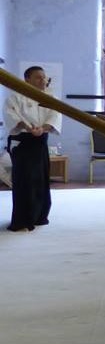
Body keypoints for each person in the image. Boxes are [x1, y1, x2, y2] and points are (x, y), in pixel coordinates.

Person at [4, 66, 61, 232]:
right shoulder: (15, 98)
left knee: (41, 180)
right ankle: (22, 219)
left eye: (44, 77)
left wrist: (43, 128)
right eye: (38, 77)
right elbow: (11, 116)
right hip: (23, 144)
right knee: (25, 181)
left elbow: (55, 116)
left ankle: (40, 216)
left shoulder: (50, 98)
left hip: (40, 142)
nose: (43, 81)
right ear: (27, 80)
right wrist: (28, 128)